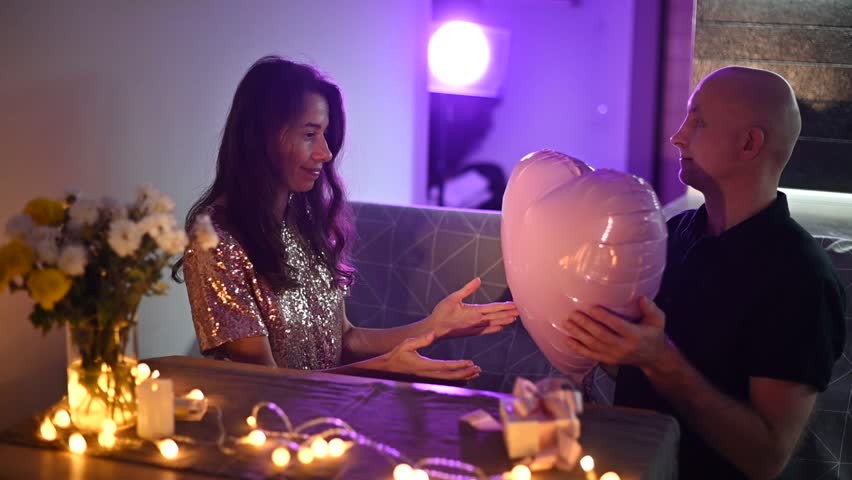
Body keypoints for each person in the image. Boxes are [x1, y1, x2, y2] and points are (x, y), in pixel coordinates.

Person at [562, 66, 846, 479]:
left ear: (749, 143)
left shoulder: (800, 277)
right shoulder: (670, 234)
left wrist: (662, 359)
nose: (677, 136)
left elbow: (765, 457)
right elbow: (636, 369)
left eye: (697, 122)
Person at [173, 56, 518, 381]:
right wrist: (385, 368)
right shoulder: (216, 238)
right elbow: (265, 384)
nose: (325, 153)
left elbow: (345, 340)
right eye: (309, 135)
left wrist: (435, 327)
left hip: (331, 422)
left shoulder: (302, 221)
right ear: (261, 137)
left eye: (325, 135)